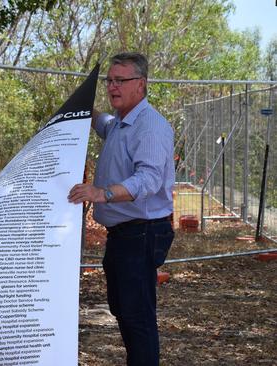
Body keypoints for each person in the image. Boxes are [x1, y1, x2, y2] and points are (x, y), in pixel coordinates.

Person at [68, 52, 175, 366]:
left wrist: (101, 193)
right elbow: (102, 123)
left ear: (140, 85)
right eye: (109, 80)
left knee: (137, 317)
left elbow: (149, 180)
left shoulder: (150, 127)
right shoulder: (119, 123)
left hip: (141, 233)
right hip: (124, 235)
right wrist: (82, 109)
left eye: (120, 80)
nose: (112, 86)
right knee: (125, 311)